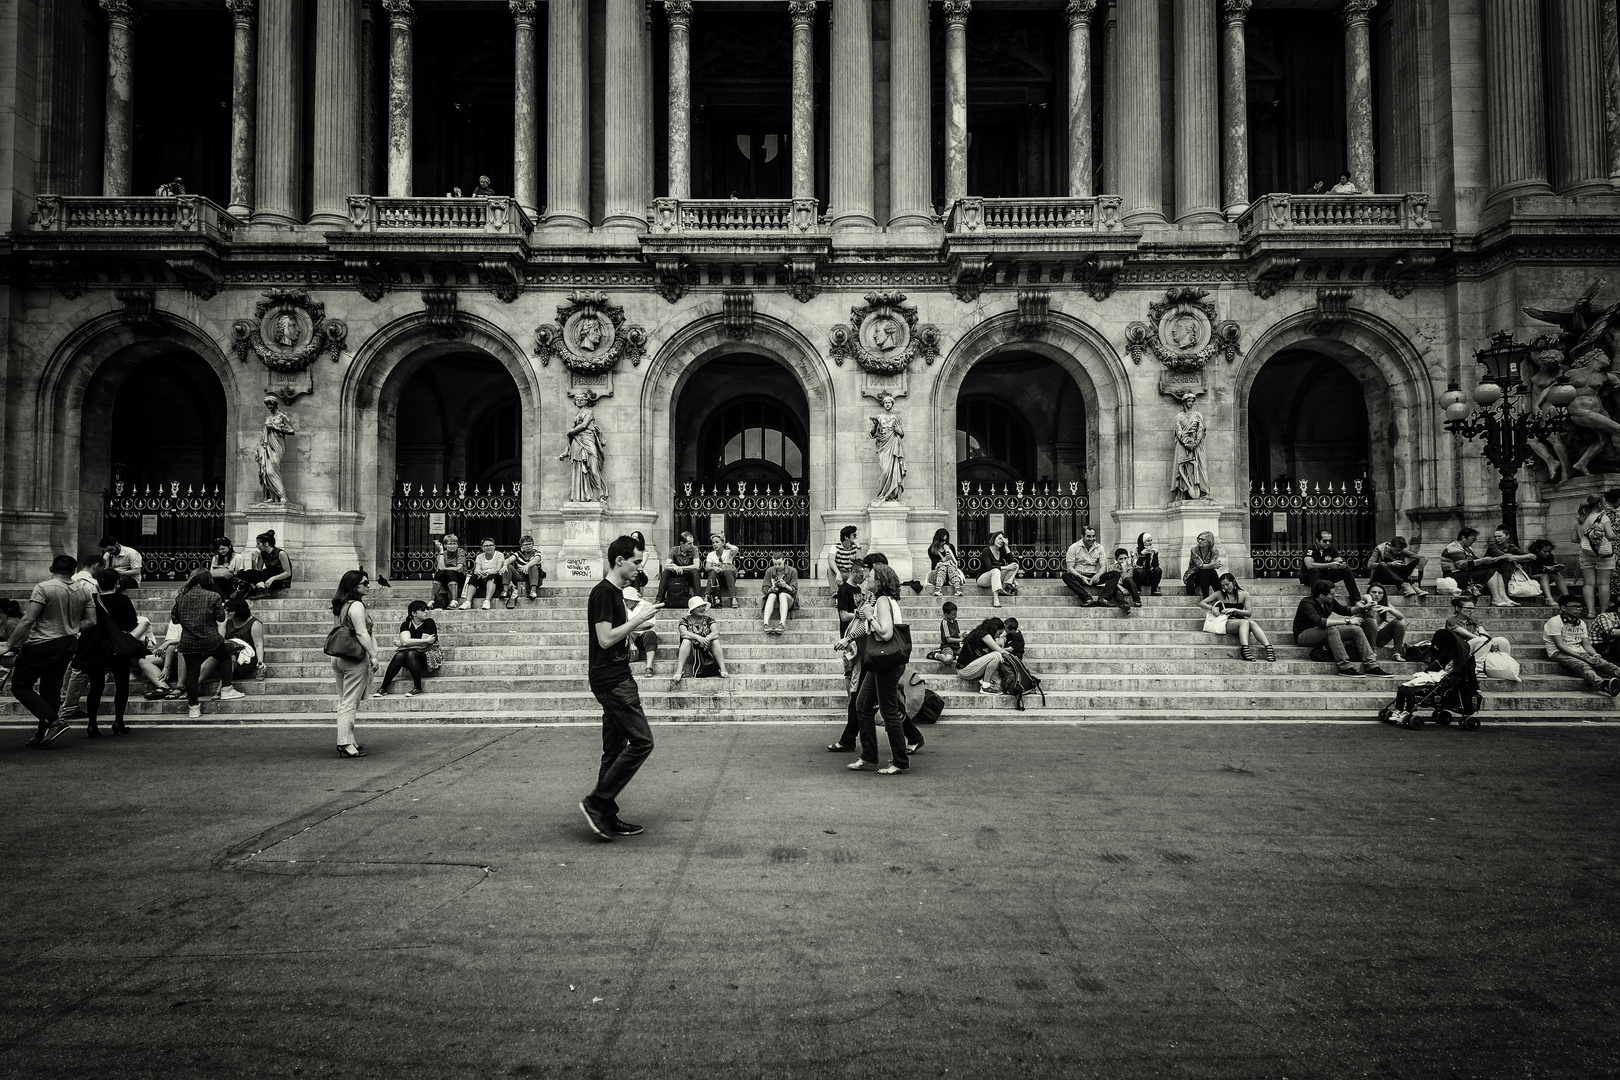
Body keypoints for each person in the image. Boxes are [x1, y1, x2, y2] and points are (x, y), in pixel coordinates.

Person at [579, 535, 662, 841]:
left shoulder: (614, 593)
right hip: (612, 679)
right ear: (620, 561)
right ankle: (597, 802)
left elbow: (614, 633)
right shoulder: (604, 593)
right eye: (637, 562)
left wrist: (640, 623)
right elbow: (604, 638)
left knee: (614, 748)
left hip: (613, 674)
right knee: (642, 742)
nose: (639, 568)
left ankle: (606, 815)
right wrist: (638, 618)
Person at [2, 555, 95, 745]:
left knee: (20, 686)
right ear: (74, 571)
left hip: (42, 643)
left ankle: (54, 722)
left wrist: (8, 644)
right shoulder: (84, 591)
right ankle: (43, 733)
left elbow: (28, 620)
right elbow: (92, 620)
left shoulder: (44, 588)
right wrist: (72, 629)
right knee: (50, 689)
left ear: (51, 569)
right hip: (68, 642)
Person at [845, 563, 911, 774]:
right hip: (881, 661)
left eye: (871, 576)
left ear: (880, 582)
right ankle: (869, 755)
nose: (867, 578)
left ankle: (900, 761)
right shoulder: (883, 600)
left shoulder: (882, 601)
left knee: (889, 710)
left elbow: (886, 633)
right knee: (863, 704)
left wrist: (869, 615)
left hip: (887, 662)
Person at [76, 568, 143, 736]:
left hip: (94, 647)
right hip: (117, 647)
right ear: (118, 583)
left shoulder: (91, 600)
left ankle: (92, 724)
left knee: (95, 686)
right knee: (121, 685)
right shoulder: (123, 599)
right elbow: (131, 623)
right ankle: (118, 721)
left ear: (98, 583)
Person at [171, 570, 246, 719]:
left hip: (188, 639)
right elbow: (220, 617)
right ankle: (226, 688)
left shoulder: (181, 597)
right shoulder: (213, 596)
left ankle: (193, 707)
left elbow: (174, 619)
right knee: (225, 656)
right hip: (210, 637)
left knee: (192, 672)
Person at [1293, 578, 1391, 678]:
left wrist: (1364, 608)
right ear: (1321, 595)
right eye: (1331, 594)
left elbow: (1345, 610)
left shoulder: (1329, 601)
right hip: (1304, 636)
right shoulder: (1307, 603)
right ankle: (1344, 667)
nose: (1334, 596)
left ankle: (1371, 666)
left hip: (1323, 632)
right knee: (1331, 629)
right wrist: (1347, 621)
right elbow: (1320, 622)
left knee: (1355, 630)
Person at [330, 570, 378, 757]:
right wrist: (373, 655)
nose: (368, 585)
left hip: (338, 656)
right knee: (349, 703)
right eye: (364, 583)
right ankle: (345, 743)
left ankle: (350, 740)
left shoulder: (341, 605)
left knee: (345, 701)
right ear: (353, 586)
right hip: (353, 658)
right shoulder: (356, 606)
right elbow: (361, 633)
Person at [1542, 595, 1620, 696]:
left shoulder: (1581, 623)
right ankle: (1602, 685)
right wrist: (1583, 658)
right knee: (1583, 665)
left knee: (1604, 663)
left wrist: (1595, 655)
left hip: (1579, 651)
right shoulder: (1555, 621)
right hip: (1558, 652)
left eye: (1579, 606)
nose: (1578, 609)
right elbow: (1560, 646)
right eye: (1574, 606)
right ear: (1563, 608)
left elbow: (1586, 644)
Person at [1200, 572, 1277, 661]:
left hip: (1242, 622)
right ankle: (1245, 650)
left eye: (1228, 584)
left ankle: (1269, 648)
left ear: (1234, 582)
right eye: (1223, 585)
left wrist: (1235, 610)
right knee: (1245, 622)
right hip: (1226, 622)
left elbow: (1249, 613)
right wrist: (1212, 608)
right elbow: (1201, 603)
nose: (1225, 587)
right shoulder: (1219, 594)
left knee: (1251, 622)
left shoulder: (1244, 594)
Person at [373, 600, 439, 697]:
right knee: (400, 655)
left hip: (429, 656)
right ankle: (383, 687)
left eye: (426, 610)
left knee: (411, 654)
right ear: (413, 613)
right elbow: (410, 641)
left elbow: (423, 646)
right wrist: (406, 642)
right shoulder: (406, 624)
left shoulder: (429, 622)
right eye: (423, 610)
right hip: (410, 655)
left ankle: (418, 687)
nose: (426, 612)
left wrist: (403, 644)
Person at [200, 597, 266, 689]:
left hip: (246, 654)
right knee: (215, 657)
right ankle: (196, 685)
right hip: (229, 650)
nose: (227, 613)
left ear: (239, 611)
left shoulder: (254, 623)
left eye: (230, 611)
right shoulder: (226, 622)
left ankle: (222, 688)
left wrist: (260, 663)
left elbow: (258, 645)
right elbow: (220, 639)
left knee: (228, 658)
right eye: (226, 610)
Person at [1063, 526, 1125, 611]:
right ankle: (1087, 599)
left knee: (1115, 574)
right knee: (1066, 576)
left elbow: (1103, 566)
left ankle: (1103, 598)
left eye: (1093, 536)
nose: (1091, 539)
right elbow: (1070, 568)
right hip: (1079, 576)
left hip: (1094, 576)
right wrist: (1081, 577)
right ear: (1082, 536)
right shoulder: (1073, 548)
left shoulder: (1100, 548)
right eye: (1088, 536)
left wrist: (1098, 575)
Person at [1441, 527, 1508, 603]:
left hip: (1463, 574)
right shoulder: (1454, 547)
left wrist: (1489, 561)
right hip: (1453, 576)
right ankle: (1496, 598)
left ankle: (1504, 597)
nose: (1473, 542)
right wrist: (1482, 561)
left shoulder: (1467, 548)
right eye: (1473, 539)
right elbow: (1462, 564)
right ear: (1463, 537)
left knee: (1496, 571)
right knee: (1491, 572)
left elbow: (1474, 560)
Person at [1442, 595, 1514, 662]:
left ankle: (1506, 663)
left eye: (1473, 608)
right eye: (1468, 608)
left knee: (1502, 641)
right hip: (1462, 646)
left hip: (1478, 643)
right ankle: (1478, 668)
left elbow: (1483, 632)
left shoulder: (1474, 620)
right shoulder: (1451, 621)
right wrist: (1486, 642)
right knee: (1482, 640)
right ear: (1458, 608)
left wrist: (1491, 641)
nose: (1471, 611)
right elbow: (1467, 634)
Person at [674, 596, 731, 680]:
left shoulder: (709, 620)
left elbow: (716, 632)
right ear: (692, 610)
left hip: (705, 651)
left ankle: (722, 669)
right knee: (686, 640)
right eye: (699, 607)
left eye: (703, 606)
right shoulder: (684, 620)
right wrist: (698, 637)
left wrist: (708, 637)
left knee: (715, 640)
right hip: (690, 652)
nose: (702, 608)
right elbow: (683, 633)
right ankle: (679, 671)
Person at [1577, 493, 1616, 614]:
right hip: (1603, 554)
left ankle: (1590, 611)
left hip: (1585, 554)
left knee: (1589, 583)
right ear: (1599, 504)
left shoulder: (1580, 519)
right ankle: (1603, 612)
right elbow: (1610, 535)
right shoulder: (1603, 518)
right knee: (1603, 584)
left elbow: (1574, 538)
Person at [1299, 530, 1362, 604]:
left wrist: (1342, 565)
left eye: (1330, 541)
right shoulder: (1310, 550)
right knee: (1315, 571)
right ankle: (1315, 599)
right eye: (1325, 541)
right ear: (1317, 540)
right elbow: (1309, 565)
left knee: (1346, 571)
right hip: (1309, 577)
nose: (1328, 543)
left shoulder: (1331, 549)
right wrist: (1329, 565)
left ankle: (1356, 599)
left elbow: (1339, 560)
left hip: (1324, 576)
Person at [1482, 525, 1538, 607]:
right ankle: (1504, 597)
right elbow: (1508, 559)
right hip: (1491, 573)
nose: (1497, 538)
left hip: (1504, 573)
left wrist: (1516, 557)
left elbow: (1531, 557)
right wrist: (1521, 557)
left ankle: (1506, 598)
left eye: (1500, 536)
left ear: (1507, 536)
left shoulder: (1511, 547)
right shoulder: (1493, 547)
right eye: (1495, 537)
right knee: (1507, 563)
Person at [955, 615, 1013, 695]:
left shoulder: (980, 633)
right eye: (999, 633)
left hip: (967, 668)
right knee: (997, 655)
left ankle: (985, 681)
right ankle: (985, 686)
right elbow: (1000, 651)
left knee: (996, 656)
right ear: (995, 628)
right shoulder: (984, 635)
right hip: (964, 670)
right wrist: (1015, 660)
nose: (998, 636)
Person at [1359, 583, 1408, 662]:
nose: (1377, 595)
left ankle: (1397, 653)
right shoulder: (1362, 603)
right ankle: (1372, 653)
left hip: (1377, 638)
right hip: (1364, 638)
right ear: (1368, 593)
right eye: (1373, 592)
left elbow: (1401, 616)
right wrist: (1369, 600)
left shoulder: (1385, 603)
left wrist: (1389, 609)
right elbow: (1370, 614)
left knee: (1399, 622)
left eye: (1380, 593)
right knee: (1371, 621)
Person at [235, 530, 294, 596]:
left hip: (280, 580)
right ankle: (261, 588)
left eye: (258, 544)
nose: (257, 546)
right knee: (241, 573)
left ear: (266, 544)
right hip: (268, 577)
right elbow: (257, 572)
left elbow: (287, 573)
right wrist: (253, 560)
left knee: (248, 573)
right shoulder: (262, 554)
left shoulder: (281, 553)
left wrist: (272, 579)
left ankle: (261, 589)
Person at [623, 571, 659, 677]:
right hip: (627, 636)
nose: (625, 602)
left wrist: (629, 626)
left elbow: (649, 624)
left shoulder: (646, 605)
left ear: (634, 600)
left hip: (641, 636)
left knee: (650, 635)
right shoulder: (622, 605)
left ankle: (649, 666)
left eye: (627, 600)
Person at [656, 530, 702, 604]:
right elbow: (666, 565)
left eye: (692, 543)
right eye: (689, 543)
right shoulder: (674, 550)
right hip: (676, 574)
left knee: (695, 572)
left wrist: (680, 568)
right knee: (665, 573)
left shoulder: (694, 549)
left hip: (688, 575)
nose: (692, 545)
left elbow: (696, 566)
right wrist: (674, 566)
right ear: (682, 544)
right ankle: (659, 598)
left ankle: (698, 598)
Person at [977, 532, 1021, 606]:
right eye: (999, 539)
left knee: (1015, 565)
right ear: (994, 539)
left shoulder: (1001, 551)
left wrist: (1006, 547)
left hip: (995, 578)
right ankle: (996, 598)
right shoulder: (986, 550)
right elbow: (989, 567)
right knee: (996, 570)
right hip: (983, 579)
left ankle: (1002, 588)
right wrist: (1006, 567)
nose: (1001, 541)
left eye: (1002, 540)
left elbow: (1011, 562)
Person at [760, 555, 798, 634]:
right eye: (775, 564)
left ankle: (782, 624)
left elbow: (794, 590)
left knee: (782, 595)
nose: (777, 566)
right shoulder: (769, 571)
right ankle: (766, 624)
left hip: (788, 599)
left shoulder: (792, 571)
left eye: (779, 564)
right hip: (774, 599)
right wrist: (771, 589)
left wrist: (785, 586)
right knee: (771, 595)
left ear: (784, 561)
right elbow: (764, 590)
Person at [504, 535, 546, 603]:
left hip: (534, 578)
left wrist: (527, 566)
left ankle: (533, 591)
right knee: (508, 566)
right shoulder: (518, 553)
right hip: (521, 578)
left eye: (530, 544)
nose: (528, 546)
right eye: (525, 545)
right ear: (522, 546)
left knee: (533, 566)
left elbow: (536, 560)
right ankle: (505, 591)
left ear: (533, 544)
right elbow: (509, 559)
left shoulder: (536, 552)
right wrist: (504, 565)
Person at [1528, 538, 1570, 604]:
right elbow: (1532, 571)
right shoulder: (1532, 557)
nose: (1547, 554)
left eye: (1549, 552)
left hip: (1545, 576)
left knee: (1557, 575)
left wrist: (1556, 568)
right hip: (1532, 577)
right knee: (1544, 576)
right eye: (1544, 551)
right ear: (1538, 549)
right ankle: (1549, 599)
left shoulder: (1550, 557)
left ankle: (1567, 597)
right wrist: (1544, 570)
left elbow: (1551, 565)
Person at [468, 538, 507, 609]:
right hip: (483, 578)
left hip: (496, 579)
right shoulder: (479, 557)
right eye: (486, 546)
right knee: (473, 577)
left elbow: (497, 570)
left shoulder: (499, 555)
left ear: (494, 546)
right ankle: (468, 602)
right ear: (482, 547)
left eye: (491, 545)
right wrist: (480, 573)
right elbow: (477, 569)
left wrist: (486, 573)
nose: (488, 547)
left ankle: (487, 601)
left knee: (492, 576)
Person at [1182, 531, 1224, 596]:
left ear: (1209, 541)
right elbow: (1200, 566)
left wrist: (1214, 565)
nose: (1199, 541)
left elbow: (1212, 564)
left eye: (1202, 539)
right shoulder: (1194, 550)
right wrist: (1213, 565)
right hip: (1194, 576)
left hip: (1207, 576)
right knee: (1204, 571)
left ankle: (1220, 595)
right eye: (1199, 539)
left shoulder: (1214, 551)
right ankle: (1206, 597)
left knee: (1212, 572)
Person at [434, 534, 471, 609]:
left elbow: (459, 568)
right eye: (450, 544)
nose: (452, 546)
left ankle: (454, 600)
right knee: (439, 573)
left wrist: (445, 568)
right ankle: (432, 600)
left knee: (450, 572)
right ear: (445, 545)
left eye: (455, 543)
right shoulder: (442, 554)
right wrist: (441, 551)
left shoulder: (460, 552)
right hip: (446, 580)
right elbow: (440, 568)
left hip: (460, 579)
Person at [927, 528, 966, 596]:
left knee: (950, 566)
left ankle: (957, 589)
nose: (944, 542)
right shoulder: (932, 549)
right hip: (937, 575)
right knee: (943, 566)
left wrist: (951, 557)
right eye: (942, 540)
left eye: (946, 540)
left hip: (950, 576)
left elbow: (956, 564)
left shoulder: (950, 547)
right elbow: (934, 565)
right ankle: (939, 589)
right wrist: (943, 560)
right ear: (937, 539)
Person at [704, 532, 740, 608]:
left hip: (728, 580)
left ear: (722, 543)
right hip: (717, 582)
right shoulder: (711, 555)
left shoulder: (728, 553)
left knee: (728, 571)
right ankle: (706, 596)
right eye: (713, 543)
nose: (714, 544)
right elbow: (707, 567)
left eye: (717, 542)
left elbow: (736, 549)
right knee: (713, 572)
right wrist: (714, 568)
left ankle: (733, 597)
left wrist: (727, 544)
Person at [828, 525, 863, 591]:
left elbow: (861, 562)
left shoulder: (855, 547)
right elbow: (831, 560)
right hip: (840, 573)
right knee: (829, 570)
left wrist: (858, 547)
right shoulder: (836, 547)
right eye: (854, 535)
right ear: (846, 537)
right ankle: (835, 594)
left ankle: (854, 591)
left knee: (859, 570)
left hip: (850, 573)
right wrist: (838, 573)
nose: (856, 537)